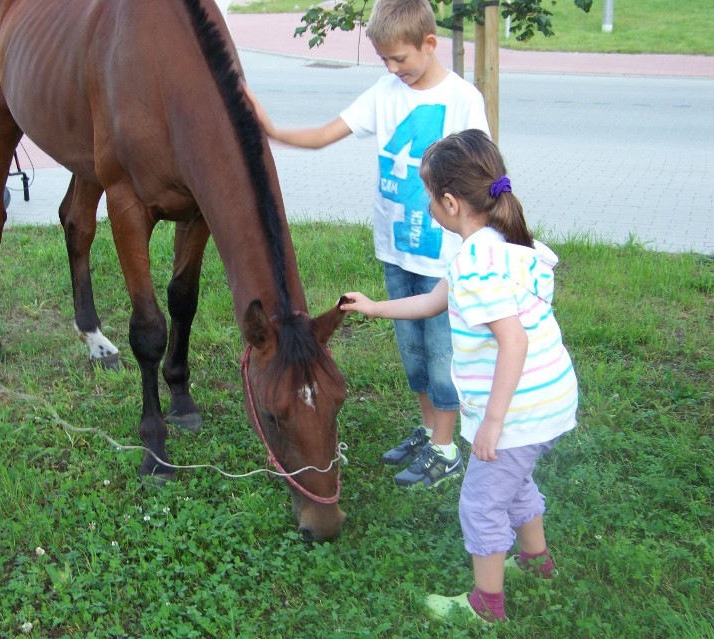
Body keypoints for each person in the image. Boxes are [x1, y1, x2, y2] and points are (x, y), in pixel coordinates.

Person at [245, 0, 490, 487]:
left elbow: (482, 173)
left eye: (400, 59)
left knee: (443, 358)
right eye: (384, 61)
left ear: (429, 44)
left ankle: (446, 449)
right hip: (397, 252)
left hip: (444, 258)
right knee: (414, 355)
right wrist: (272, 129)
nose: (393, 69)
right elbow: (324, 134)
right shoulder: (384, 93)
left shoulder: (463, 99)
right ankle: (427, 430)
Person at [340, 129, 578, 623]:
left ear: (450, 202)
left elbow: (514, 341)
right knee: (515, 484)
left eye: (429, 196)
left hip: (517, 412)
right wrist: (374, 307)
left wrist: (492, 423)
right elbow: (433, 300)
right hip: (549, 401)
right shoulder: (501, 244)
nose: (427, 204)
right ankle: (537, 563)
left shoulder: (475, 263)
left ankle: (485, 607)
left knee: (480, 504)